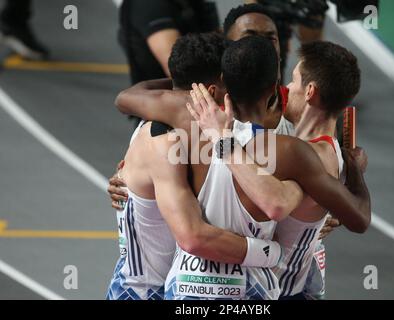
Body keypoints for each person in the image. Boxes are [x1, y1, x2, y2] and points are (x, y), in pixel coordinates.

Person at [106, 33, 282, 301]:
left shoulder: (174, 130)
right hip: (143, 292)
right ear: (213, 89)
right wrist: (271, 253)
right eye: (229, 84)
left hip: (160, 287)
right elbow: (193, 237)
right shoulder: (163, 137)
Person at [187, 40, 365, 300]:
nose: (287, 89)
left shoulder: (311, 157)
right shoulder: (323, 149)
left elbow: (275, 203)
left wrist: (221, 139)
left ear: (310, 92)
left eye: (293, 81)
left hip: (281, 289)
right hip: (285, 285)